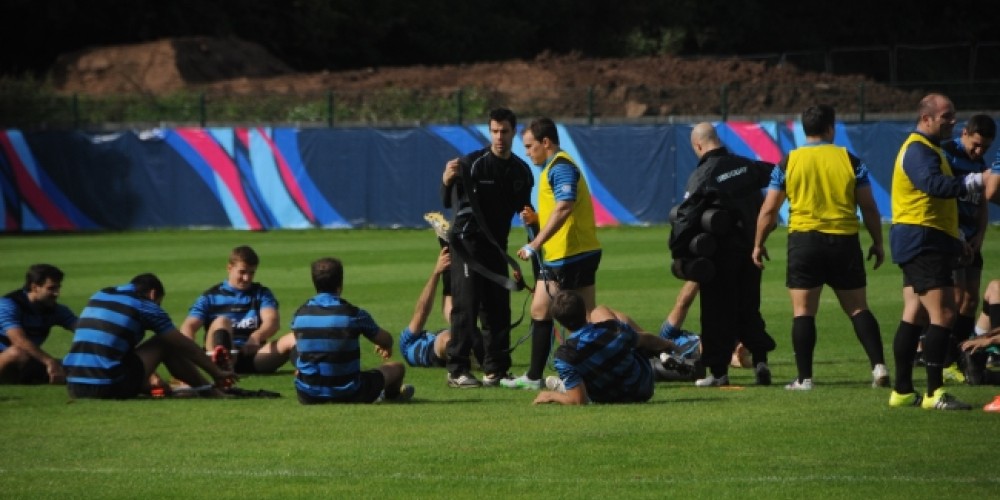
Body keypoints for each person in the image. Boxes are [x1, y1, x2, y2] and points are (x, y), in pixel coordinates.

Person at [753, 104, 890, 390]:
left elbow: (769, 210)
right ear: (831, 127)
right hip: (844, 240)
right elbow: (869, 206)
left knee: (803, 312)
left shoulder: (788, 161)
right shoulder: (849, 160)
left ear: (805, 130)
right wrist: (877, 241)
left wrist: (758, 244)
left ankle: (804, 379)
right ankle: (879, 367)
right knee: (858, 309)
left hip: (805, 241)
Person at [887, 93, 985, 410]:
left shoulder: (929, 149)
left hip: (922, 237)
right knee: (943, 313)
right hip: (922, 240)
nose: (953, 121)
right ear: (927, 118)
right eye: (947, 116)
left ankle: (902, 391)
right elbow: (935, 186)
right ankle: (934, 393)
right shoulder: (918, 150)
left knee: (914, 313)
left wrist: (956, 238)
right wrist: (977, 179)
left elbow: (935, 199)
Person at [671, 122, 776, 388]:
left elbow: (686, 215)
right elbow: (779, 177)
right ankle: (761, 362)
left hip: (719, 255)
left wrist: (679, 250)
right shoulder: (748, 166)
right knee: (749, 308)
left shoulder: (703, 174)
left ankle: (719, 373)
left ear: (698, 145)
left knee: (717, 312)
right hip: (752, 251)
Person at [441, 108, 534, 388]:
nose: (499, 137)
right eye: (494, 131)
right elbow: (448, 201)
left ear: (514, 132)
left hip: (498, 248)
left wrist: (534, 237)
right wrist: (446, 180)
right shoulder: (471, 163)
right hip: (467, 246)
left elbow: (526, 213)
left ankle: (496, 370)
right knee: (466, 307)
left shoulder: (521, 171)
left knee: (498, 310)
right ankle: (456, 370)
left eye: (504, 131)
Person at [507, 117, 602, 390]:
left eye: (529, 146)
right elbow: (558, 209)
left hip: (570, 253)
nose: (526, 152)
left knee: (566, 314)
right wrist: (538, 217)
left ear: (545, 142)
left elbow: (565, 206)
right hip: (572, 252)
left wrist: (534, 243)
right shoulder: (556, 166)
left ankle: (552, 376)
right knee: (563, 312)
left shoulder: (560, 167)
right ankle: (540, 376)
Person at [63, 273, 234, 399]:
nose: (158, 307)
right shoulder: (146, 306)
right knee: (166, 342)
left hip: (74, 385)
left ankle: (157, 385)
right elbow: (184, 345)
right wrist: (217, 373)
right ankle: (208, 391)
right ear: (153, 294)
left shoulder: (100, 294)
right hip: (107, 387)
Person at [292, 257, 413, 404]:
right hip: (350, 393)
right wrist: (384, 345)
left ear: (314, 283)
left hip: (307, 395)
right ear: (340, 284)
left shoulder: (299, 314)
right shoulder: (354, 314)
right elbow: (386, 339)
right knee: (397, 368)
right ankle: (391, 397)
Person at [532, 291, 684, 405]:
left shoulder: (564, 356)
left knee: (581, 369)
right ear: (585, 312)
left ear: (561, 323)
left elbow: (578, 401)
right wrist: (668, 345)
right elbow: (646, 340)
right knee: (600, 311)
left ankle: (566, 386)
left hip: (605, 397)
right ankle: (662, 354)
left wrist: (550, 396)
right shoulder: (613, 329)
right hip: (642, 388)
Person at [939, 115, 996, 380]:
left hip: (972, 239)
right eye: (975, 144)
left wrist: (981, 234)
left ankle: (961, 353)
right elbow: (942, 197)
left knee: (971, 300)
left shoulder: (980, 162)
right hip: (952, 237)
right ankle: (946, 359)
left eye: (985, 147)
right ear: (964, 133)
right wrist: (957, 235)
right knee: (957, 298)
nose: (979, 151)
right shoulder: (947, 154)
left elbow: (982, 201)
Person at [179, 245, 293, 374]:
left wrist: (256, 336)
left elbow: (272, 321)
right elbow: (188, 326)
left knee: (294, 337)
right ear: (229, 268)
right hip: (216, 355)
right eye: (242, 272)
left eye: (251, 273)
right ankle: (223, 365)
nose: (247, 278)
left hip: (252, 355)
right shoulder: (210, 297)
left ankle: (308, 374)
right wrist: (192, 354)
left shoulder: (261, 293)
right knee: (222, 321)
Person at [0, 264, 76, 384]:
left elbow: (82, 330)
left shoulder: (57, 310)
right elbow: (19, 340)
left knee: (77, 367)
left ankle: (32, 377)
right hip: (8, 355)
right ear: (35, 287)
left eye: (58, 288)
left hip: (29, 358)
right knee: (17, 353)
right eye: (51, 288)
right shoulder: (8, 305)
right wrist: (49, 361)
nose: (57, 293)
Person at [658, 280, 752, 369]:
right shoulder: (666, 339)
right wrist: (697, 275)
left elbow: (682, 304)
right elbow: (682, 304)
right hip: (697, 350)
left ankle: (740, 357)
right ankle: (740, 358)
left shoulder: (668, 336)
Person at [399, 247, 454, 367]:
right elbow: (421, 311)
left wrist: (440, 271)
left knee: (454, 331)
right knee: (447, 338)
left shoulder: (409, 343)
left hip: (439, 347)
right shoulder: (407, 344)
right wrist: (436, 272)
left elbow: (421, 312)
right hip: (435, 351)